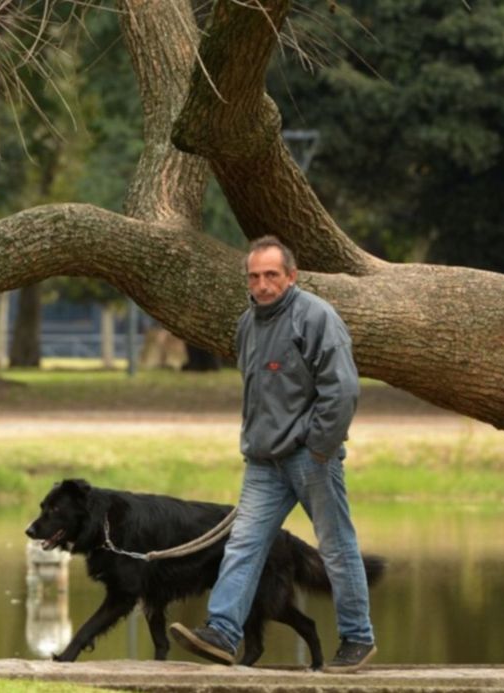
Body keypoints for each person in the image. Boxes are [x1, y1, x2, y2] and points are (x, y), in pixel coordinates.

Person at [169, 236, 377, 673]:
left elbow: (342, 390)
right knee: (243, 546)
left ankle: (358, 638)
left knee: (336, 548)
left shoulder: (317, 317)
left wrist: (319, 447)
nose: (262, 285)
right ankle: (222, 634)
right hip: (264, 464)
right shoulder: (248, 323)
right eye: (255, 276)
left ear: (292, 275)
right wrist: (254, 447)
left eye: (271, 276)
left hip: (310, 458)